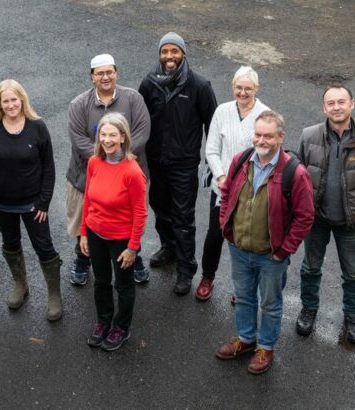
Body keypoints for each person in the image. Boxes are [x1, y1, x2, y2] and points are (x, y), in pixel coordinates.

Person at [215, 111, 314, 374]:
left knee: (270, 304)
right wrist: (227, 228)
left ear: (281, 137)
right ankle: (246, 339)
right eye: (258, 134)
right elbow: (226, 195)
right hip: (239, 249)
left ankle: (266, 347)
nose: (262, 140)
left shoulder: (295, 172)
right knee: (245, 298)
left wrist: (283, 251)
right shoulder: (241, 161)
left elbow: (305, 217)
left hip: (271, 256)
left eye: (268, 135)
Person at [296, 84, 355, 344]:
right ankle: (309, 310)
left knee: (353, 273)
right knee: (310, 268)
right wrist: (304, 208)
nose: (336, 107)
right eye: (331, 103)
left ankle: (353, 317)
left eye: (341, 102)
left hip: (351, 222)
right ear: (324, 108)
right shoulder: (309, 136)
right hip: (316, 220)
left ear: (352, 104)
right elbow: (297, 175)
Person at [139, 32, 218, 294]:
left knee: (183, 218)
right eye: (165, 51)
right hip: (156, 161)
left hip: (184, 164)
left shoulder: (198, 85)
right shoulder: (150, 83)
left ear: (183, 53)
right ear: (159, 54)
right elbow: (140, 120)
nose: (169, 57)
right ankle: (168, 248)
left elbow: (213, 126)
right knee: (160, 208)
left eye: (174, 51)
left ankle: (186, 269)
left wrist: (210, 161)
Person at [0, 80, 62, 321]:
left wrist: (44, 202)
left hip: (33, 204)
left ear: (22, 100)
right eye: (5, 101)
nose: (10, 105)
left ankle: (54, 295)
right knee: (10, 243)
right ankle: (21, 285)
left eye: (14, 100)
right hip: (2, 203)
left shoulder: (37, 126)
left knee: (44, 247)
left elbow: (49, 166)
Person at [66, 54, 151, 286]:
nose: (105, 77)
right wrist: (104, 157)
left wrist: (120, 156)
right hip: (85, 176)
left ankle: (133, 254)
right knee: (84, 218)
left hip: (130, 174)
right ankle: (83, 259)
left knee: (132, 216)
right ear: (92, 77)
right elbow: (78, 140)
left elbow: (142, 131)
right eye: (100, 73)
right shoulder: (78, 105)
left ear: (116, 73)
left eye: (109, 72)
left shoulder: (133, 99)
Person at [199, 66, 270, 302]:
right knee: (215, 234)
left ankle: (243, 287)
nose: (242, 92)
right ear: (232, 87)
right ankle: (207, 277)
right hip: (223, 186)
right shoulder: (222, 111)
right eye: (239, 88)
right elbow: (211, 149)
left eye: (248, 88)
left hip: (252, 188)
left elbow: (266, 152)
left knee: (245, 239)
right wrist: (220, 177)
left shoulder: (264, 114)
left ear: (256, 89)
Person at [79, 113, 148, 351]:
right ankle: (103, 321)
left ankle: (121, 327)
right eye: (103, 134)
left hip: (121, 240)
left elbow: (140, 213)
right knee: (101, 281)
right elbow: (87, 198)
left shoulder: (132, 172)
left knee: (124, 285)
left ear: (122, 138)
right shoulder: (94, 163)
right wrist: (84, 233)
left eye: (112, 135)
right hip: (95, 233)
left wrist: (132, 248)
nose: (107, 140)